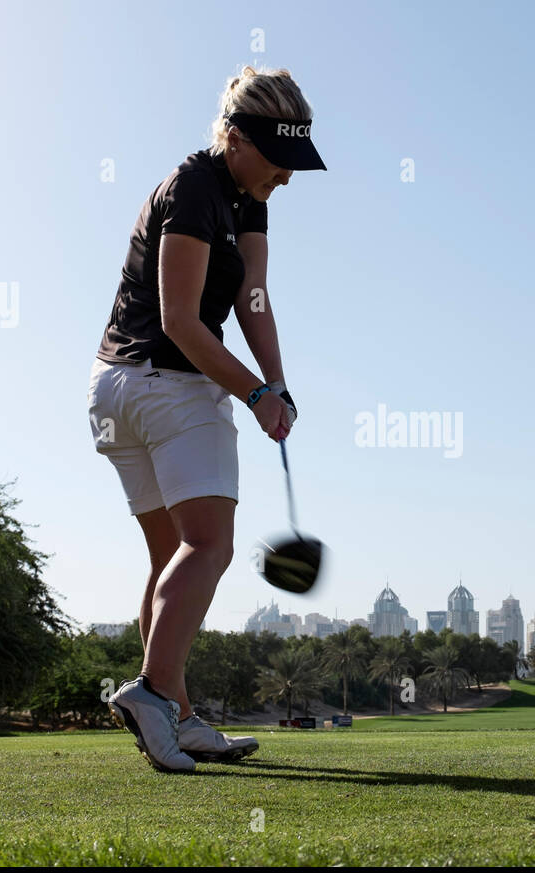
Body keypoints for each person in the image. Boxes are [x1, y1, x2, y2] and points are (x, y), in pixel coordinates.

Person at [86, 66, 327, 772]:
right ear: (234, 138)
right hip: (163, 386)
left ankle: (181, 717)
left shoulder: (247, 198)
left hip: (116, 394)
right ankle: (153, 695)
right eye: (278, 160)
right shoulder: (193, 188)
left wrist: (278, 380)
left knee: (172, 560)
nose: (286, 176)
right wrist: (256, 396)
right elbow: (183, 324)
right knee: (210, 548)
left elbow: (252, 294)